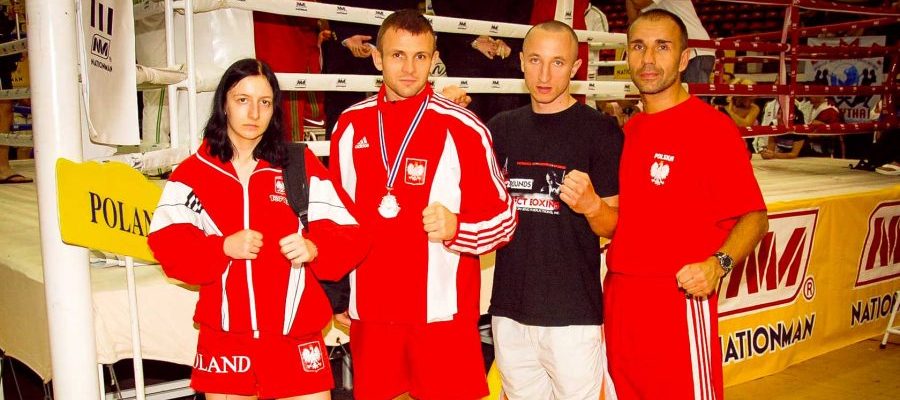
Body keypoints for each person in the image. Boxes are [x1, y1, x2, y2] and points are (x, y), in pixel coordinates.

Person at [148, 59, 367, 400]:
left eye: (264, 102)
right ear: (224, 103)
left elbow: (351, 233)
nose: (254, 113)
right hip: (226, 341)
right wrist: (221, 247)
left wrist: (316, 247)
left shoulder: (298, 164)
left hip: (296, 335)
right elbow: (167, 247)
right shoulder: (194, 173)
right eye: (242, 100)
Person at [328, 9, 517, 400]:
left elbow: (505, 219)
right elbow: (336, 219)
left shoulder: (464, 126)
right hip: (373, 315)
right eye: (398, 55)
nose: (410, 68)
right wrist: (338, 294)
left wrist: (457, 228)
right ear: (378, 58)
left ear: (434, 60)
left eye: (420, 56)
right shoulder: (349, 125)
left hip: (441, 315)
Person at [606, 10, 769, 400]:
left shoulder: (711, 128)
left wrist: (719, 264)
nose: (648, 60)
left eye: (662, 47)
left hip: (678, 302)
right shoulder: (625, 132)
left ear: (683, 59)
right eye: (639, 47)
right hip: (621, 300)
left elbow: (755, 218)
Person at [487, 20, 621, 400]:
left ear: (576, 68)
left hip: (572, 314)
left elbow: (615, 225)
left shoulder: (600, 131)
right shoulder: (499, 129)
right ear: (521, 63)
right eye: (536, 60)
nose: (545, 74)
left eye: (558, 63)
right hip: (510, 308)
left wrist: (593, 206)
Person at [626, 0, 715, 84]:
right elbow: (634, 21)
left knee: (693, 97)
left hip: (695, 49)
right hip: (675, 50)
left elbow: (639, 3)